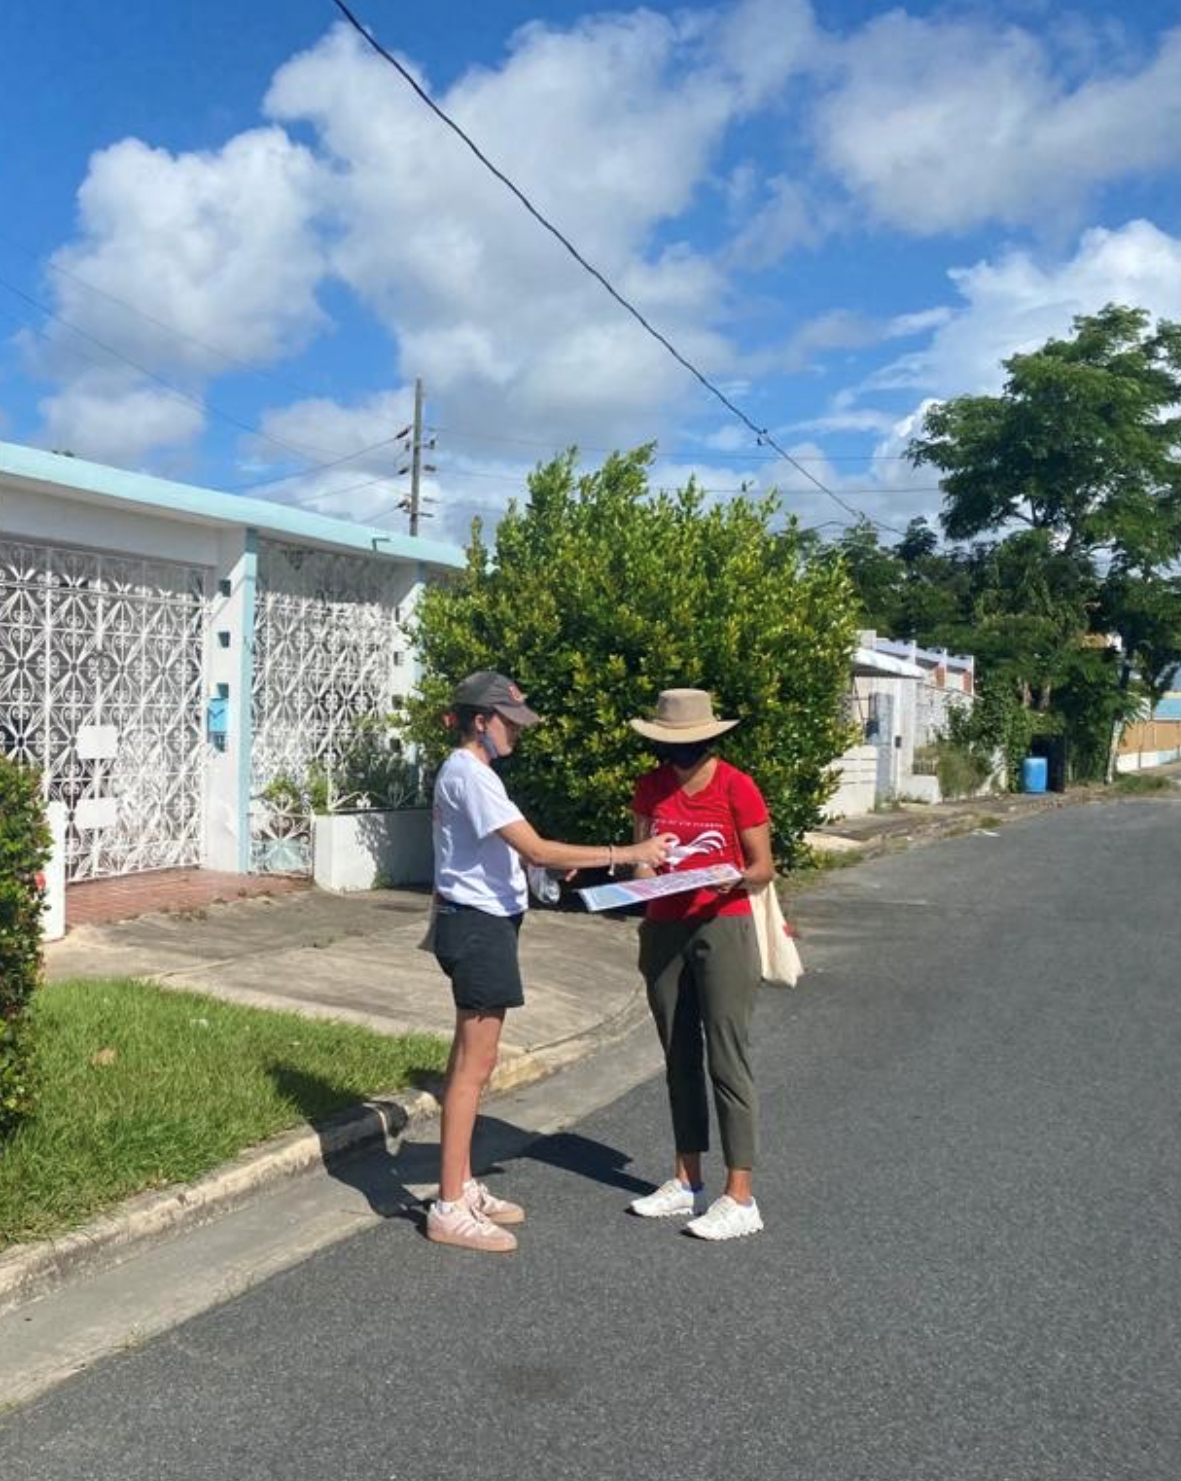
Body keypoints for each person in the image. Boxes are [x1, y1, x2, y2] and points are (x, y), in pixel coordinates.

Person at [427, 669, 675, 1254]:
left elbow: (504, 853)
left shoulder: (472, 773)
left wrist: (536, 869)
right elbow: (533, 844)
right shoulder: (471, 774)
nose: (518, 732)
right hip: (478, 928)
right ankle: (447, 1205)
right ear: (481, 721)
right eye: (509, 722)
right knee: (473, 1067)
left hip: (480, 924)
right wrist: (628, 852)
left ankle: (460, 1186)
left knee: (470, 1061)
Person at [627, 688, 774, 1241]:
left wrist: (732, 877)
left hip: (723, 923)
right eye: (670, 749)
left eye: (689, 747)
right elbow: (641, 863)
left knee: (726, 1055)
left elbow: (763, 867)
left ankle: (740, 1196)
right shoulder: (650, 786)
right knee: (678, 1054)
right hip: (665, 927)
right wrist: (642, 877)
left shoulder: (737, 786)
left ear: (711, 739)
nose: (679, 759)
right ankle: (685, 1179)